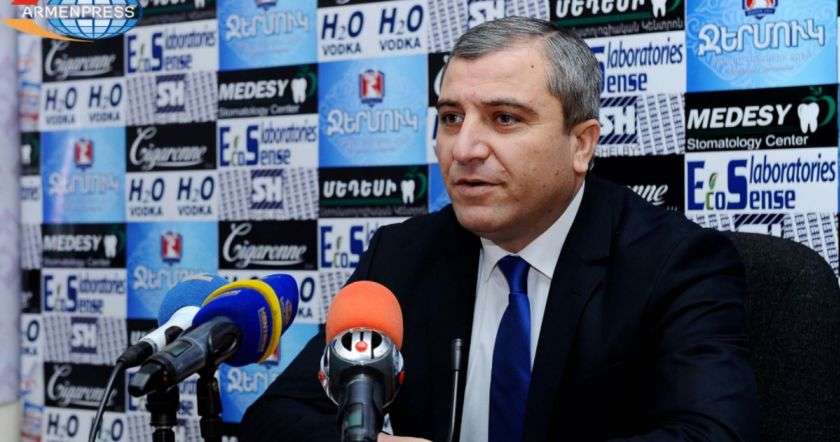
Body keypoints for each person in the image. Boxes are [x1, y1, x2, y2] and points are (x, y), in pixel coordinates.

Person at [241, 16, 759, 442]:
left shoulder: (675, 263)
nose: (465, 149)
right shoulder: (403, 255)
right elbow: (277, 418)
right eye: (451, 118)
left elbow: (713, 433)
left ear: (581, 144)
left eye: (504, 118)